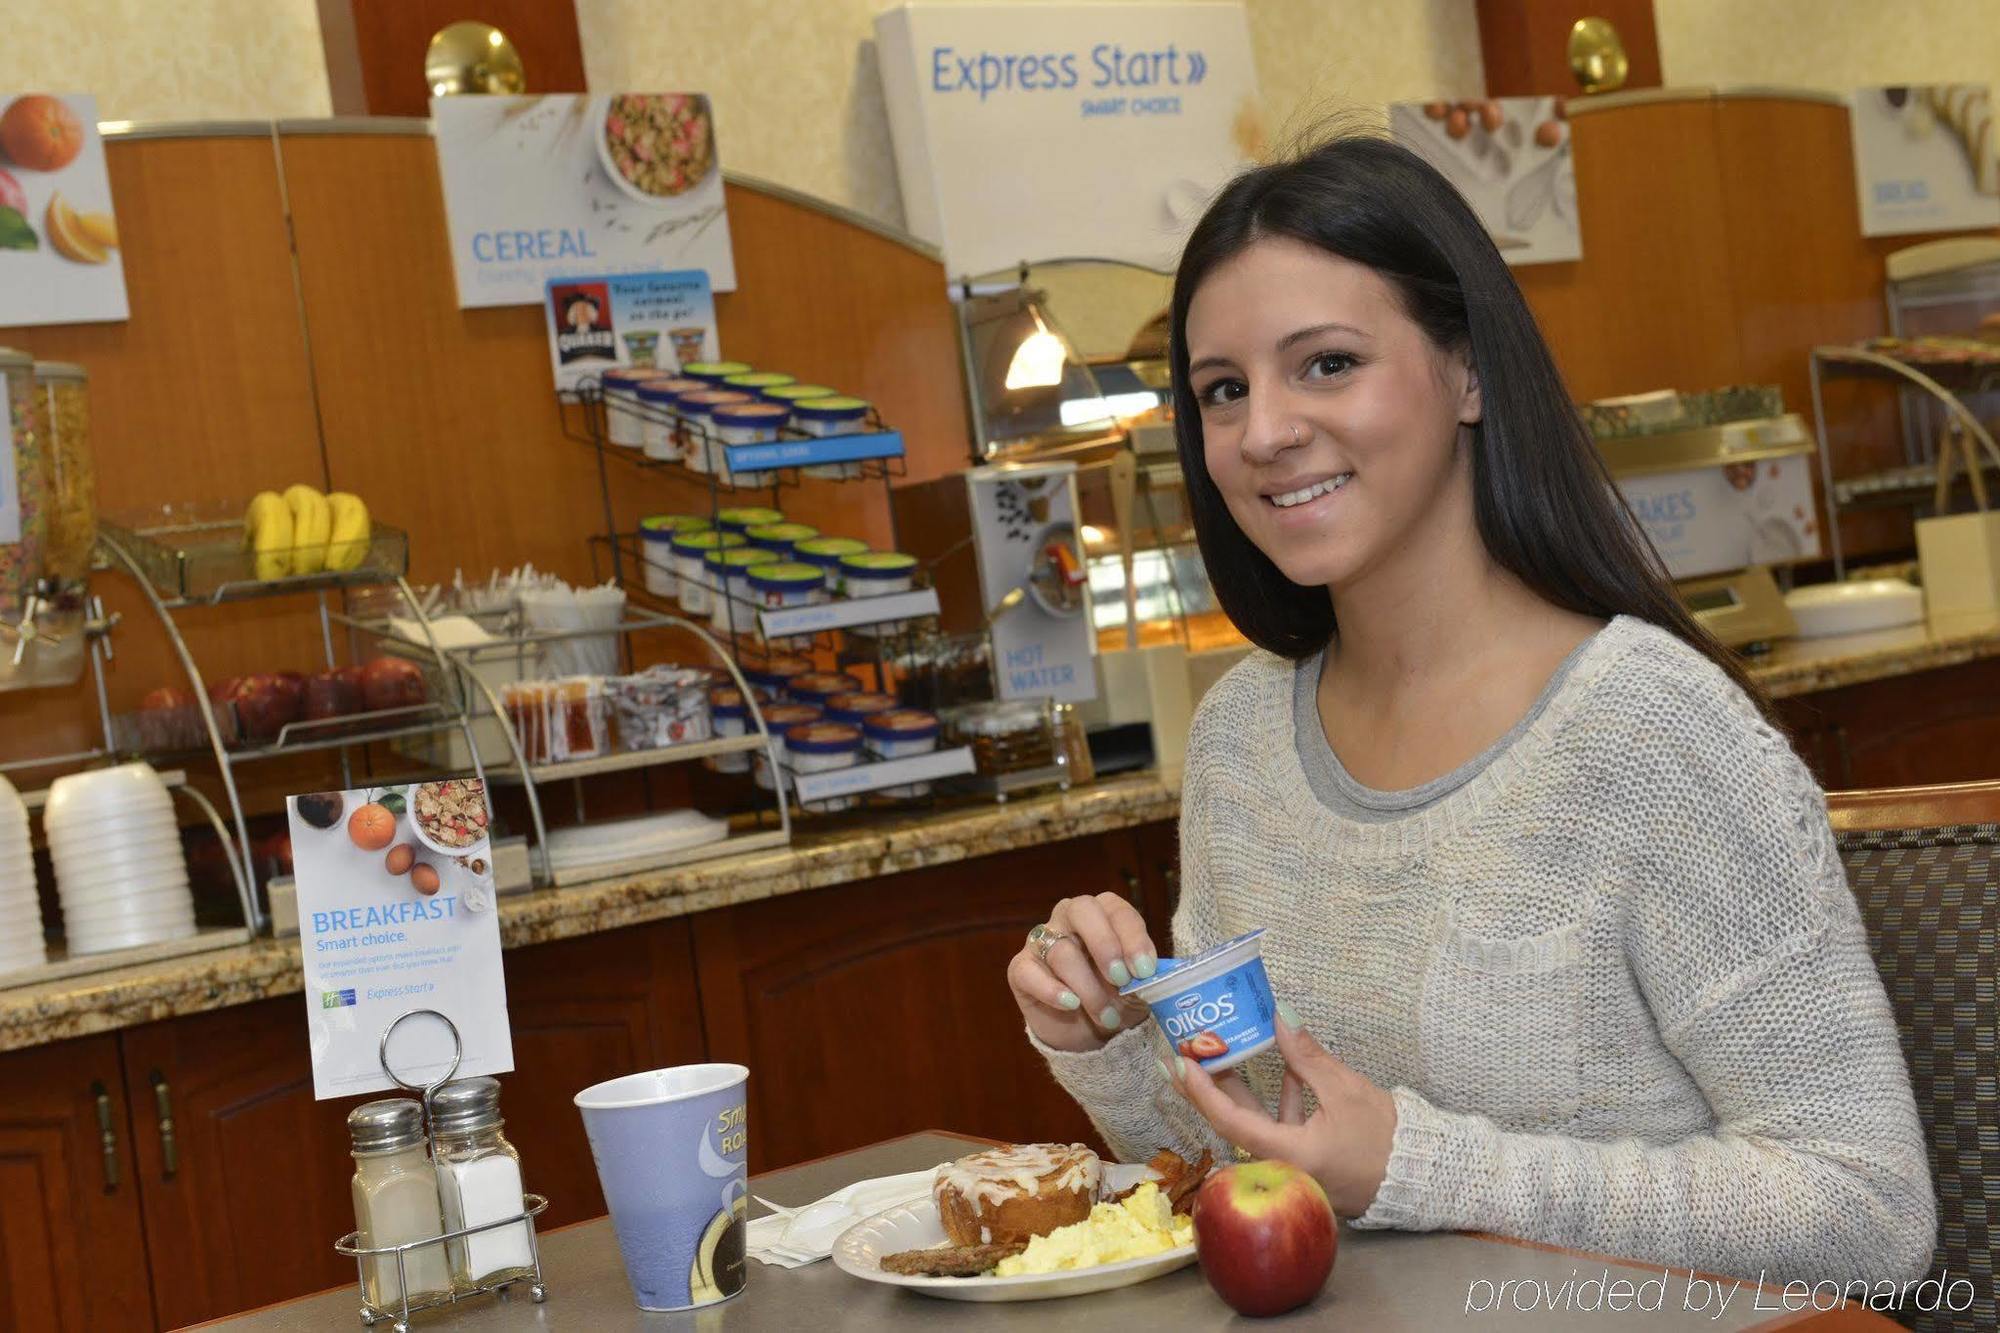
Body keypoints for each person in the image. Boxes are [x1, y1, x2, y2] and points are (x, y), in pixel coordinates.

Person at [1006, 134, 1936, 1284]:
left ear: (1466, 372)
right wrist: (1095, 1040)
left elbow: (1867, 1210)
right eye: (1222, 390)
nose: (1262, 432)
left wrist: (1415, 1163)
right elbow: (1244, 1174)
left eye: (1327, 363)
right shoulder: (1240, 737)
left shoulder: (1650, 730)